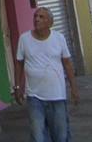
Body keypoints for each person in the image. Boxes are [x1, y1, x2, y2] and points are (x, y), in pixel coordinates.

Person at [14, 7, 78, 142]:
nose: (37, 19)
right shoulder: (24, 39)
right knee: (38, 136)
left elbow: (67, 63)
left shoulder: (59, 38)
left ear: (50, 22)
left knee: (61, 135)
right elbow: (19, 63)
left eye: (41, 17)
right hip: (34, 97)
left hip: (57, 95)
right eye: (35, 16)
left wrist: (74, 88)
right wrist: (18, 87)